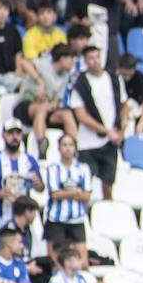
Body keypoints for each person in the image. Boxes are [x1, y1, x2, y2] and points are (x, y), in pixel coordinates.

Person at [69, 46, 125, 200]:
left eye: (97, 57)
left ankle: (107, 219)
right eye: (91, 58)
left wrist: (122, 128)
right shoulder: (80, 83)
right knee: (85, 188)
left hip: (110, 142)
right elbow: (81, 115)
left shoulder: (114, 78)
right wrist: (107, 131)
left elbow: (124, 104)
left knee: (108, 185)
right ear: (85, 61)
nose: (95, 61)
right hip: (88, 143)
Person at [0, 122, 44, 239]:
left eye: (18, 133)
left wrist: (38, 184)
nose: (15, 137)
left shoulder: (29, 161)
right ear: (3, 135)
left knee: (23, 252)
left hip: (23, 218)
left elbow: (41, 188)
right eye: (11, 133)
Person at [42, 133, 90, 261]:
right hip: (56, 220)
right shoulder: (53, 168)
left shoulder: (83, 168)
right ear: (58, 148)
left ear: (75, 148)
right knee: (56, 261)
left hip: (77, 220)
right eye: (64, 145)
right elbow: (55, 194)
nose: (68, 148)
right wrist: (76, 192)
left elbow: (87, 196)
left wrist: (66, 193)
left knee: (83, 262)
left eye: (70, 145)